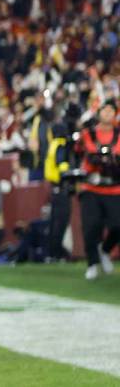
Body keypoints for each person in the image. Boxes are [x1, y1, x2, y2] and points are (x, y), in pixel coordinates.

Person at [76, 100, 120, 280]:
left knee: (118, 225)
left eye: (112, 110)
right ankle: (92, 263)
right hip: (92, 187)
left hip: (115, 187)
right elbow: (81, 151)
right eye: (105, 110)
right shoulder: (87, 133)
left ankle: (105, 250)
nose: (108, 113)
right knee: (91, 227)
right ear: (99, 112)